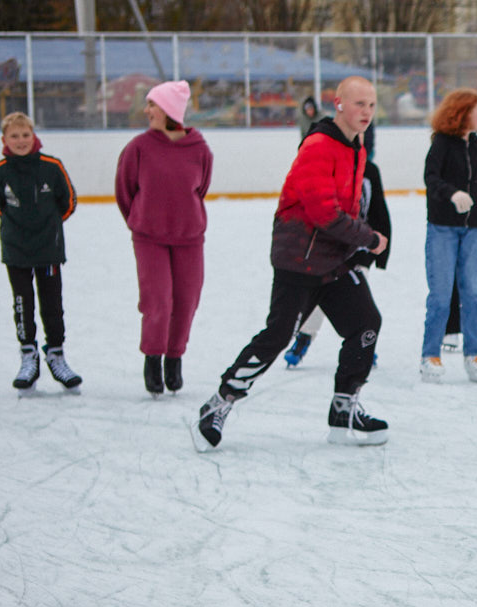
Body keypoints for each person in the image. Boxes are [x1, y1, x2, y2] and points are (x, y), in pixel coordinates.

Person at [194, 76, 388, 449]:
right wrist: (370, 238)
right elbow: (324, 214)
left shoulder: (356, 148)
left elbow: (346, 208)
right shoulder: (319, 145)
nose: (366, 112)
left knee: (365, 323)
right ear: (339, 105)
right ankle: (219, 403)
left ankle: (344, 409)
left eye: (371, 105)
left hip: (334, 261)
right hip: (299, 260)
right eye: (359, 104)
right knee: (277, 337)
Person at [115, 80, 213, 396]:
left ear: (169, 110)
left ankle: (174, 359)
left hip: (189, 237)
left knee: (186, 301)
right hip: (150, 238)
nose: (146, 111)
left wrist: (185, 218)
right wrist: (141, 221)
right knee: (157, 300)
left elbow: (201, 189)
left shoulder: (199, 149)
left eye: (152, 105)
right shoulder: (138, 148)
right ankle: (153, 359)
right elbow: (125, 190)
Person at [283, 130, 392, 368]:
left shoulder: (370, 172)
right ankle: (303, 338)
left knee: (360, 304)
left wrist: (380, 252)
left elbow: (379, 211)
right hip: (329, 250)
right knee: (319, 297)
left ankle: (363, 344)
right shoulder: (332, 168)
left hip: (360, 249)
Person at [0, 112, 81, 392]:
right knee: (22, 304)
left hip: (48, 250)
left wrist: (50, 226)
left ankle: (56, 354)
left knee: (52, 304)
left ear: (34, 136)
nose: (21, 141)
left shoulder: (51, 166)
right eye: (15, 136)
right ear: (5, 140)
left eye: (25, 135)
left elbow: (68, 201)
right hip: (16, 251)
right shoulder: (1, 170)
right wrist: (16, 227)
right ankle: (28, 355)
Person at [419, 87, 477, 383]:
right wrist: (452, 194)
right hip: (443, 229)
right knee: (440, 294)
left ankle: (474, 352)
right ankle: (429, 355)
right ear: (463, 114)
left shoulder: (476, 144)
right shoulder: (442, 144)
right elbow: (431, 178)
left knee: (474, 293)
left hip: (472, 230)